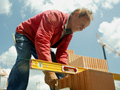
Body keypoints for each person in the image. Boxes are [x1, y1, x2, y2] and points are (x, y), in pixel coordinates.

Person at [7, 8, 93, 90]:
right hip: (26, 34)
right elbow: (42, 40)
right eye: (82, 25)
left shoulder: (69, 34)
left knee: (57, 66)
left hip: (39, 41)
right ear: (76, 15)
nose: (81, 29)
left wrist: (66, 71)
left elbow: (62, 52)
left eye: (84, 28)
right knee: (24, 58)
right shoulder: (54, 16)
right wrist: (49, 72)